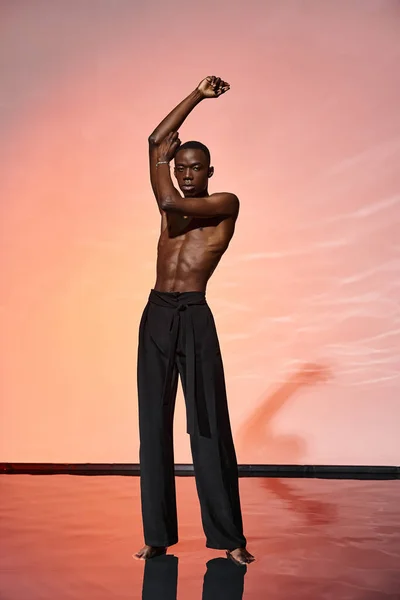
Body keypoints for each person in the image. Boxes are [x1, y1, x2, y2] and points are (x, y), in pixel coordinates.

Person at [134, 76, 254, 567]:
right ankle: (157, 536)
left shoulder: (223, 204)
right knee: (153, 426)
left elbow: (168, 198)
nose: (185, 174)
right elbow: (155, 141)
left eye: (193, 168)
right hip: (157, 314)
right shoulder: (173, 202)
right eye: (179, 168)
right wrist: (196, 97)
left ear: (209, 169)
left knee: (207, 424)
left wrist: (165, 171)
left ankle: (229, 539)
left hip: (195, 316)